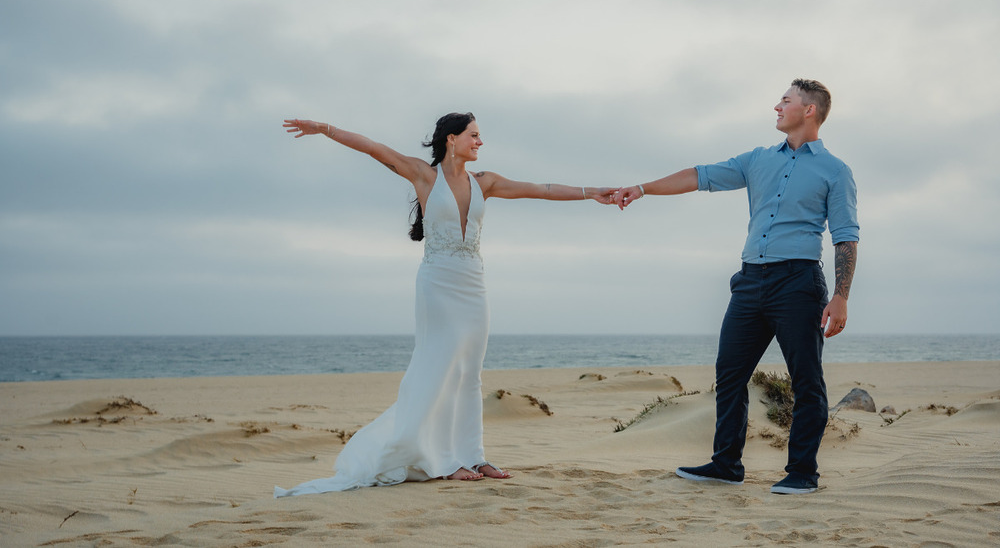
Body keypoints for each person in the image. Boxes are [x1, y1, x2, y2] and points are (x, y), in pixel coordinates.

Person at [274, 112, 617, 496]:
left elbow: (542, 188)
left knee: (470, 372)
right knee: (440, 368)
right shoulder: (424, 175)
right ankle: (443, 458)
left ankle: (474, 455)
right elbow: (372, 148)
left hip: (474, 284)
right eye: (474, 135)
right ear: (451, 139)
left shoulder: (485, 182)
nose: (480, 142)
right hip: (437, 284)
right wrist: (326, 130)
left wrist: (592, 192)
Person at [614, 79, 859, 495]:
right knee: (729, 374)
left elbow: (846, 237)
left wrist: (841, 296)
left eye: (786, 100)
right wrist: (642, 188)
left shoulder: (835, 171)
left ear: (810, 111)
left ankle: (803, 472)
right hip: (749, 282)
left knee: (807, 381)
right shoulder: (758, 159)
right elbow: (699, 176)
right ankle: (726, 464)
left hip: (798, 282)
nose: (777, 106)